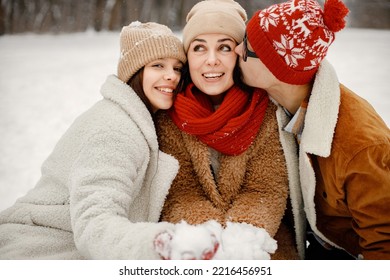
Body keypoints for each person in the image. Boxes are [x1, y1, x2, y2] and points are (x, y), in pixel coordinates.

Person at [0, 21, 188, 259]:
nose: (171, 76)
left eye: (177, 68)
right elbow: (95, 220)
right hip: (37, 248)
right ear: (135, 72)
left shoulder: (138, 118)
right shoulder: (115, 128)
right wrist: (155, 244)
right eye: (158, 65)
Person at [235, 0, 390, 259]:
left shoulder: (361, 147)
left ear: (278, 69)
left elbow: (383, 247)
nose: (236, 49)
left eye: (247, 48)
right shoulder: (278, 102)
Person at [154, 0, 305, 260]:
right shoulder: (170, 114)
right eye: (199, 48)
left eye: (224, 47)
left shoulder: (265, 109)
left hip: (262, 242)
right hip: (194, 242)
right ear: (187, 57)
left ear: (239, 53)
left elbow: (265, 190)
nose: (211, 61)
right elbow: (180, 192)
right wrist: (210, 241)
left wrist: (240, 244)